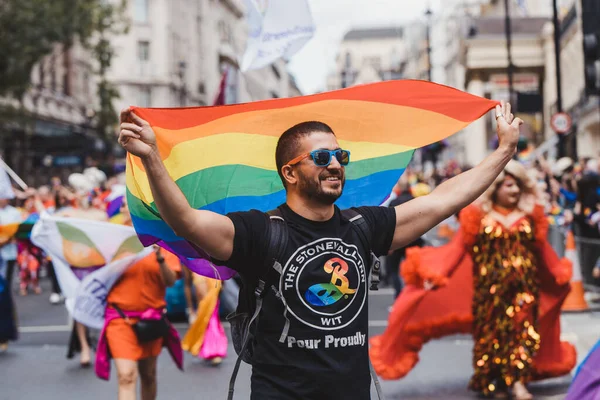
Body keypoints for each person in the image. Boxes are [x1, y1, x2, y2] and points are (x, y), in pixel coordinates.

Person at [118, 101, 522, 399]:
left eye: (340, 156)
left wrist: (503, 151)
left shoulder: (363, 226)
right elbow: (187, 221)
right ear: (290, 172)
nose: (335, 164)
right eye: (322, 157)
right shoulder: (260, 231)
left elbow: (441, 200)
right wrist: (152, 157)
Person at [369, 160, 576, 399]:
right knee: (491, 336)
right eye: (509, 185)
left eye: (518, 185)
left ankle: (518, 381)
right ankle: (494, 380)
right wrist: (437, 275)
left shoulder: (531, 216)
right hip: (489, 293)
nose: (515, 191)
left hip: (524, 290)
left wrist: (558, 276)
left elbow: (543, 253)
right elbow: (457, 251)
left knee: (523, 332)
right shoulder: (476, 217)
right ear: (495, 187)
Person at [95, 199, 183, 400]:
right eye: (125, 205)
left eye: (132, 203)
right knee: (126, 376)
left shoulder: (161, 237)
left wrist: (160, 257)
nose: (128, 208)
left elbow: (170, 281)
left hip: (151, 319)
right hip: (119, 317)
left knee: (149, 375)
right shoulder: (113, 238)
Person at [181, 270, 228, 365]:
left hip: (213, 295)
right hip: (202, 302)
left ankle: (214, 351)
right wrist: (190, 310)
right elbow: (187, 285)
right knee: (207, 323)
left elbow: (223, 276)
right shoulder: (189, 259)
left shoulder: (213, 257)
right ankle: (210, 349)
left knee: (212, 321)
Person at [0, 196, 22, 352]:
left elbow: (17, 232)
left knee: (3, 295)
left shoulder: (13, 212)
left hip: (6, 256)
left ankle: (4, 335)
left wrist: (6, 239)